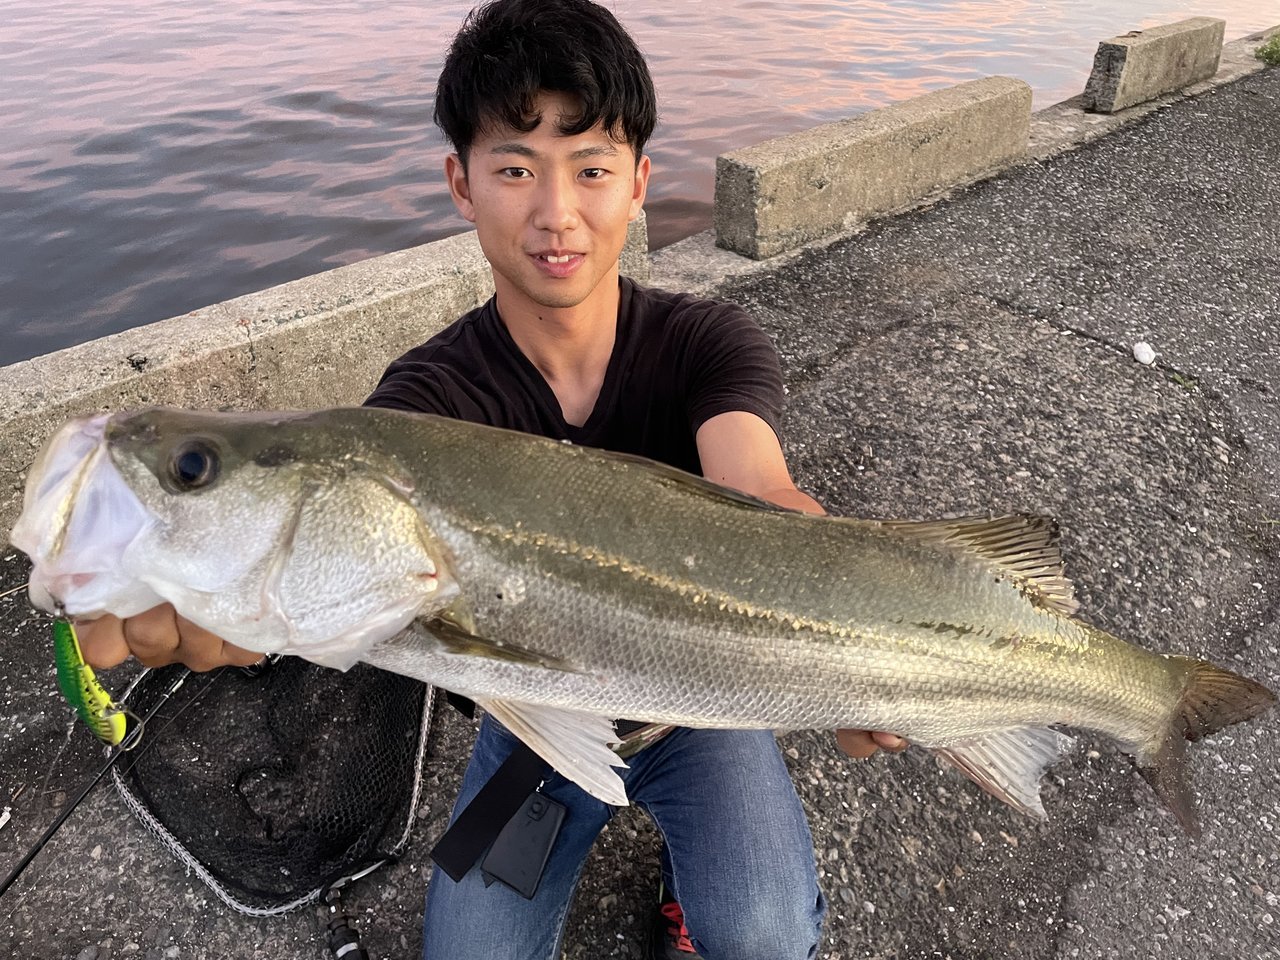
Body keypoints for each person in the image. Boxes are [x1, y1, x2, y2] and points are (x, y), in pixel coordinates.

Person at [77, 2, 906, 957]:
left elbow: (761, 495)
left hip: (703, 705)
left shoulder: (704, 341)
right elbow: (331, 569)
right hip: (530, 727)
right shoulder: (420, 409)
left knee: (760, 935)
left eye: (591, 168)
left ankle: (693, 866)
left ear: (639, 185)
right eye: (515, 168)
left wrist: (863, 655)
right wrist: (232, 607)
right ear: (461, 184)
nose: (557, 213)